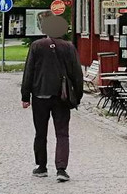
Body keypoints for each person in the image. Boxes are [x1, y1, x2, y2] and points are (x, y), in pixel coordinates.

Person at [21, 13, 83, 182]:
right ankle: (61, 169)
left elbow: (29, 72)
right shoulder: (69, 47)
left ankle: (41, 166)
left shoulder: (36, 46)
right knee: (62, 133)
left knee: (40, 132)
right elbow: (77, 73)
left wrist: (25, 95)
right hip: (62, 96)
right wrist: (77, 95)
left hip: (40, 94)